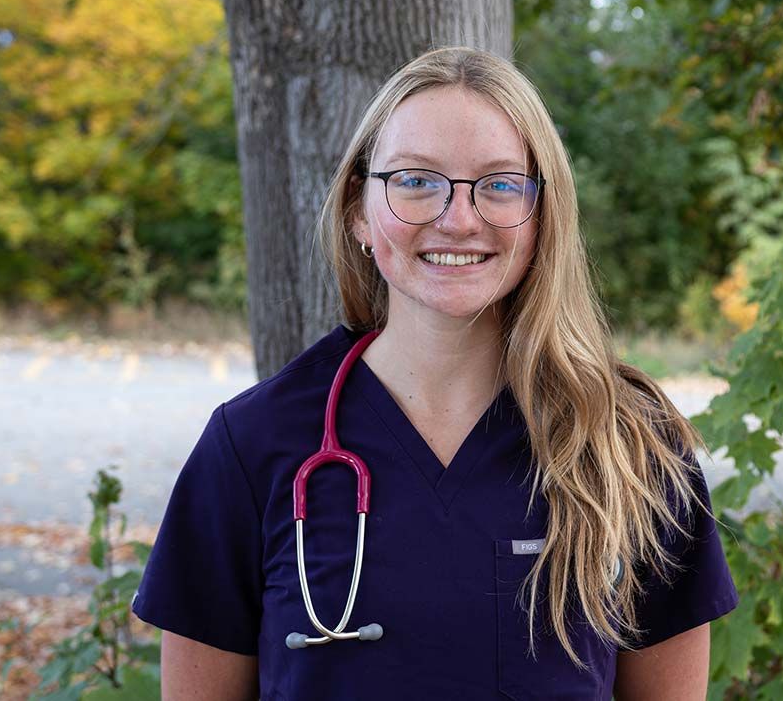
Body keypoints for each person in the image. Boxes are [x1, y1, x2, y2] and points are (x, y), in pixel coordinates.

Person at [131, 46, 738, 700]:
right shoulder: (251, 445)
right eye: (417, 180)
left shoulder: (627, 444)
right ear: (359, 211)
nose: (459, 218)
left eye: (500, 184)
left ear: (542, 216)